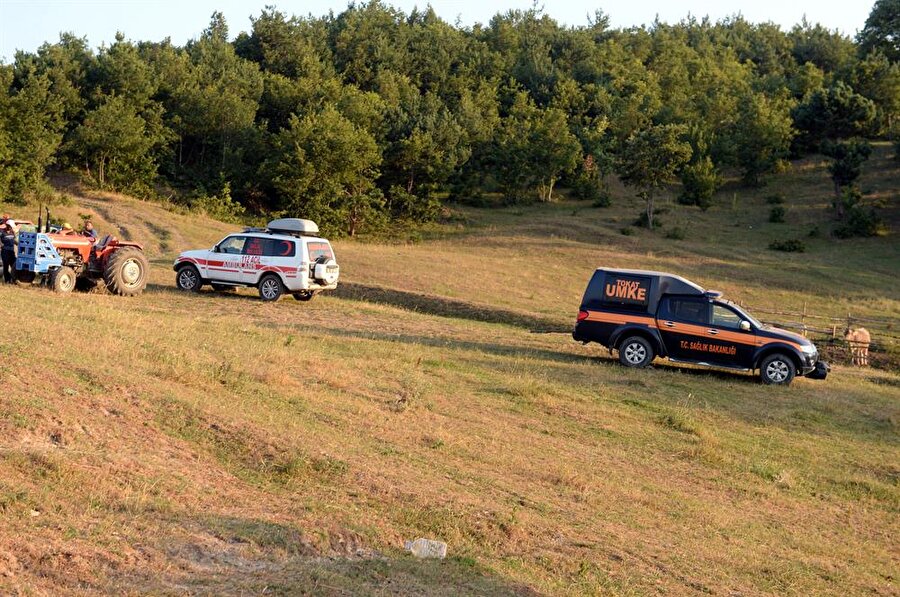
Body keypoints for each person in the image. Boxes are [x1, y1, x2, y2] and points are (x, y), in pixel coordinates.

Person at [1, 219, 17, 283]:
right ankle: (7, 280)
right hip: (5, 252)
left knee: (14, 266)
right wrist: (1, 244)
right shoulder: (2, 232)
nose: (11, 228)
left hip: (11, 252)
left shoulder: (12, 232)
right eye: (10, 226)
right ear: (7, 225)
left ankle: (13, 279)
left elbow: (14, 240)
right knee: (6, 267)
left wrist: (19, 244)